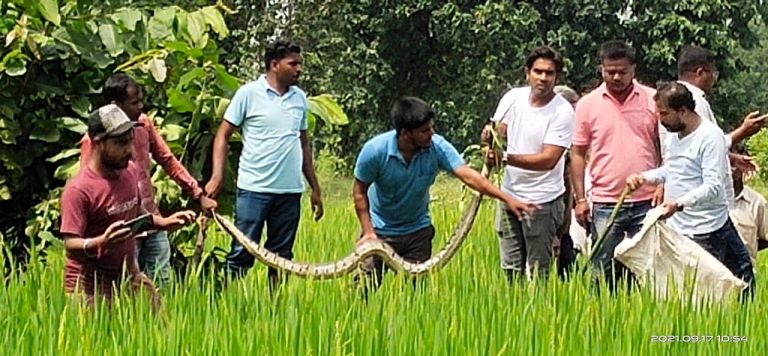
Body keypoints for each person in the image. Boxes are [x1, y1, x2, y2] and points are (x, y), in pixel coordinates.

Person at [354, 96, 537, 290]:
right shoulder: (375, 151)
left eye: (432, 128)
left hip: (417, 232)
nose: (431, 133)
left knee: (413, 296)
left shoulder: (436, 146)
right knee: (363, 291)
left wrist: (508, 198)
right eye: (425, 131)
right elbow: (359, 192)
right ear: (406, 134)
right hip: (379, 231)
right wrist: (368, 231)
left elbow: (468, 176)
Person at [80, 73, 217, 287]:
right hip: (121, 227)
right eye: (135, 103)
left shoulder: (144, 126)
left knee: (161, 283)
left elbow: (168, 160)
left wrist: (197, 193)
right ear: (116, 105)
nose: (141, 108)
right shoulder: (96, 141)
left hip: (150, 219)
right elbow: (88, 185)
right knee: (124, 288)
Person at [205, 39, 323, 286]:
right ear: (274, 64)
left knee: (282, 259)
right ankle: (221, 306)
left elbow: (303, 144)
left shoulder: (300, 99)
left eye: (300, 64)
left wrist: (315, 187)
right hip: (254, 190)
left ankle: (275, 311)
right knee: (242, 253)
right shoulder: (248, 94)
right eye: (293, 64)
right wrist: (217, 176)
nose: (299, 69)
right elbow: (222, 136)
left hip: (289, 192)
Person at [626, 82, 754, 299]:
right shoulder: (675, 136)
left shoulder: (709, 137)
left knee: (731, 283)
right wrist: (644, 177)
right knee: (693, 291)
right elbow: (674, 169)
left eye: (664, 113)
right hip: (682, 227)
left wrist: (679, 203)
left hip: (708, 228)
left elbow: (713, 187)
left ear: (683, 111)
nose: (660, 119)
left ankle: (738, 330)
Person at [61, 105, 196, 307]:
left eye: (131, 141)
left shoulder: (130, 172)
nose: (130, 151)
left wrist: (165, 223)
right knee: (100, 338)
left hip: (129, 278)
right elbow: (71, 244)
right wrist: (101, 242)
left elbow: (138, 214)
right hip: (89, 290)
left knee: (161, 330)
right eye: (122, 144)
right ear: (98, 143)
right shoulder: (79, 190)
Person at [571, 40, 662, 291]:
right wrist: (580, 199)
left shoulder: (652, 99)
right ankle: (599, 321)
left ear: (633, 69)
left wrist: (663, 184)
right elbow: (577, 153)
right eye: (610, 71)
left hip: (648, 201)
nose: (616, 77)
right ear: (601, 69)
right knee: (601, 271)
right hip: (605, 202)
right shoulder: (588, 104)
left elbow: (666, 146)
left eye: (622, 71)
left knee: (648, 271)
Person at [486, 46, 575, 282]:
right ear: (527, 73)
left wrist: (505, 158)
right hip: (509, 196)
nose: (543, 78)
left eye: (549, 73)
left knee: (539, 273)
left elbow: (548, 160)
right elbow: (498, 130)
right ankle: (513, 316)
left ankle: (537, 317)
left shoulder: (562, 112)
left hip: (542, 202)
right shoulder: (512, 98)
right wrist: (490, 138)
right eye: (538, 72)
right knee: (511, 270)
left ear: (557, 77)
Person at [729, 144, 768, 266]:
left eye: (735, 164)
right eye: (728, 163)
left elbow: (765, 238)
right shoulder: (708, 201)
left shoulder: (757, 203)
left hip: (745, 273)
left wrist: (745, 252)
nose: (731, 169)